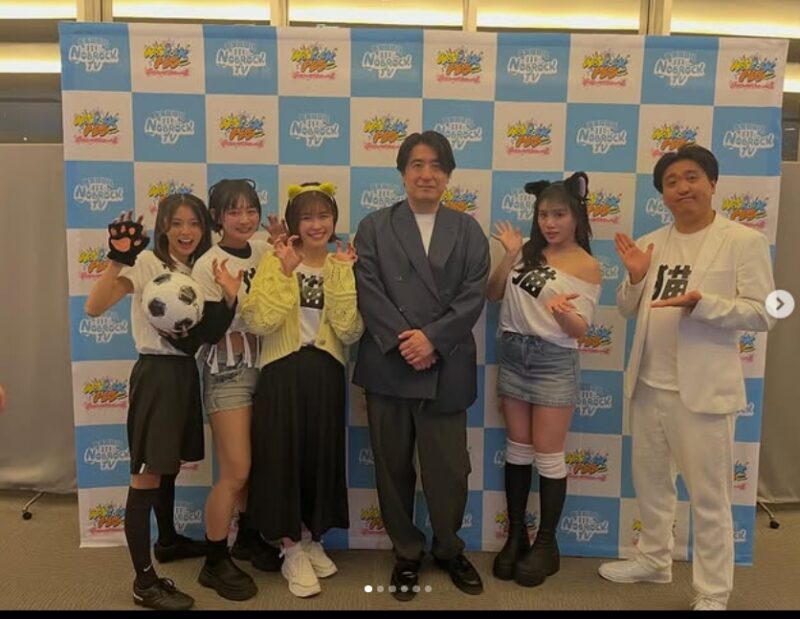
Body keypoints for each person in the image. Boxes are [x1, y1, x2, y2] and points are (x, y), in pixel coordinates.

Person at [597, 145, 776, 611]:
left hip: (702, 393)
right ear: (663, 194)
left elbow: (763, 313)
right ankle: (654, 560)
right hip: (648, 385)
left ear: (712, 184)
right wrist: (636, 278)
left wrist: (705, 305)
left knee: (709, 498)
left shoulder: (742, 241)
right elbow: (626, 308)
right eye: (671, 181)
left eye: (692, 177)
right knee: (652, 484)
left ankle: (713, 591)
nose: (682, 187)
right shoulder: (652, 241)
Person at [352, 130, 490, 601]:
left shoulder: (467, 230)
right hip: (390, 363)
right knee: (392, 469)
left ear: (448, 175)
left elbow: (473, 294)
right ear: (402, 172)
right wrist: (407, 341)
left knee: (449, 471)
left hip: (445, 364)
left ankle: (449, 548)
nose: (426, 174)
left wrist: (432, 339)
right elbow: (368, 288)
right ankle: (406, 552)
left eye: (436, 165)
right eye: (417, 164)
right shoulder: (374, 226)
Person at [84, 195, 240, 610]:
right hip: (155, 376)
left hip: (185, 374)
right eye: (177, 223)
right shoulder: (146, 263)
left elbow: (205, 334)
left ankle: (167, 541)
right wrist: (117, 260)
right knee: (146, 475)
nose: (186, 232)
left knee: (166, 465)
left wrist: (229, 298)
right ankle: (144, 582)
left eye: (194, 223)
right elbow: (94, 307)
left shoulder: (200, 270)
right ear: (164, 227)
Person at [241, 181, 363, 598]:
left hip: (326, 372)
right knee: (281, 459)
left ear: (334, 221)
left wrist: (342, 276)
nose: (316, 225)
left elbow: (349, 330)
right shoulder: (275, 260)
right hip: (282, 373)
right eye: (307, 217)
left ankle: (311, 538)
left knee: (319, 457)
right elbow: (259, 321)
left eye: (323, 216)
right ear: (294, 224)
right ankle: (289, 548)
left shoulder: (340, 264)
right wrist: (284, 270)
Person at [487, 172, 601, 588]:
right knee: (518, 449)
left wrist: (561, 312)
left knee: (548, 455)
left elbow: (580, 330)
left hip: (553, 359)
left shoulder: (587, 265)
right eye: (543, 215)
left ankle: (547, 544)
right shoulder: (527, 252)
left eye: (559, 214)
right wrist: (509, 255)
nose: (550, 223)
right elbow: (492, 293)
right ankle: (516, 535)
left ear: (576, 217)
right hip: (514, 353)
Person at [189, 179, 281, 601]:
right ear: (217, 217)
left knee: (255, 467)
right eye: (233, 211)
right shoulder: (208, 263)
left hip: (267, 368)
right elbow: (206, 334)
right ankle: (214, 559)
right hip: (227, 372)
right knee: (236, 471)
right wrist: (227, 299)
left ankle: (246, 538)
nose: (244, 219)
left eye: (250, 210)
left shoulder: (263, 250)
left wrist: (281, 245)